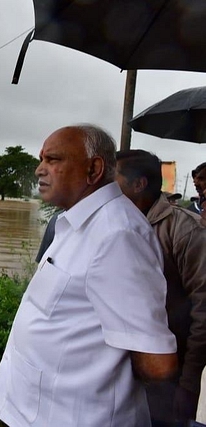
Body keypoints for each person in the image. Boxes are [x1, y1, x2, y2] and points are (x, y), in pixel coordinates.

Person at [0, 124, 177, 426]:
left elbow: (156, 362)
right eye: (41, 160)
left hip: (75, 416)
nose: (39, 170)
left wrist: (104, 379)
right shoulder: (75, 222)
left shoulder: (117, 235)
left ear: (93, 169)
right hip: (37, 410)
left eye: (53, 160)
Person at [116, 149, 206, 425]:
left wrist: (188, 384)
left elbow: (203, 313)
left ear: (138, 184)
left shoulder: (185, 231)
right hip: (123, 370)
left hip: (170, 376)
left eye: (113, 180)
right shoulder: (114, 225)